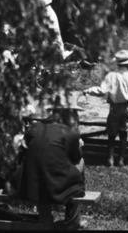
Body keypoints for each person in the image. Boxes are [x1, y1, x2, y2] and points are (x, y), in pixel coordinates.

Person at [18, 97, 86, 230]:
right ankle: (73, 219)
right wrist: (78, 146)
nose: (77, 117)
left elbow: (25, 150)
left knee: (41, 166)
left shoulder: (35, 127)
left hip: (30, 185)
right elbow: (76, 158)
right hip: (55, 186)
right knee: (80, 162)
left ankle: (45, 217)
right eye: (75, 113)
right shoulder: (70, 132)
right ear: (69, 115)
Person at [84, 49, 128, 167]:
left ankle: (110, 158)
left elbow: (102, 90)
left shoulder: (111, 76)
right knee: (124, 133)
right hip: (126, 107)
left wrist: (89, 90)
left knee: (112, 133)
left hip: (114, 108)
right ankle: (121, 159)